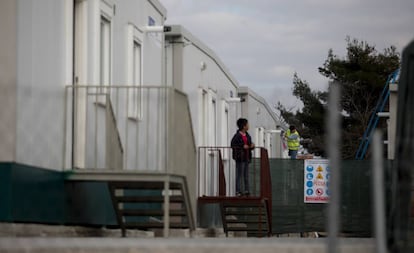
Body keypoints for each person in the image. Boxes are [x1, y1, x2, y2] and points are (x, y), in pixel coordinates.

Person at [231, 118, 255, 197]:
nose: (248, 126)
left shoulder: (248, 135)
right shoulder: (237, 136)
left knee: (246, 175)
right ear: (243, 126)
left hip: (247, 157)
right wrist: (242, 146)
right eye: (247, 124)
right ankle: (238, 191)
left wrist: (252, 146)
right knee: (239, 175)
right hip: (240, 158)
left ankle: (246, 190)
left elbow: (249, 144)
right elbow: (233, 145)